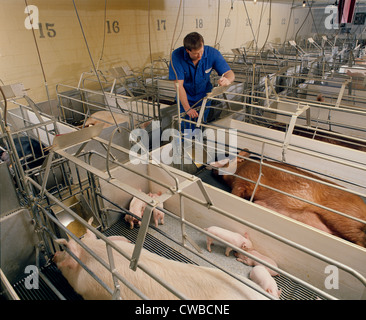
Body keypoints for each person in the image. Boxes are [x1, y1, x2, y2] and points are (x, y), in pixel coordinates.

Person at [169, 32, 235, 132]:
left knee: (201, 123)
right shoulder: (177, 56)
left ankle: (198, 143)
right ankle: (186, 144)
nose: (200, 56)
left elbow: (230, 73)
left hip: (204, 95)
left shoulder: (212, 53)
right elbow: (179, 86)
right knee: (186, 125)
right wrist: (187, 108)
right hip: (185, 95)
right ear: (187, 50)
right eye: (196, 53)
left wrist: (227, 80)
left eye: (201, 51)